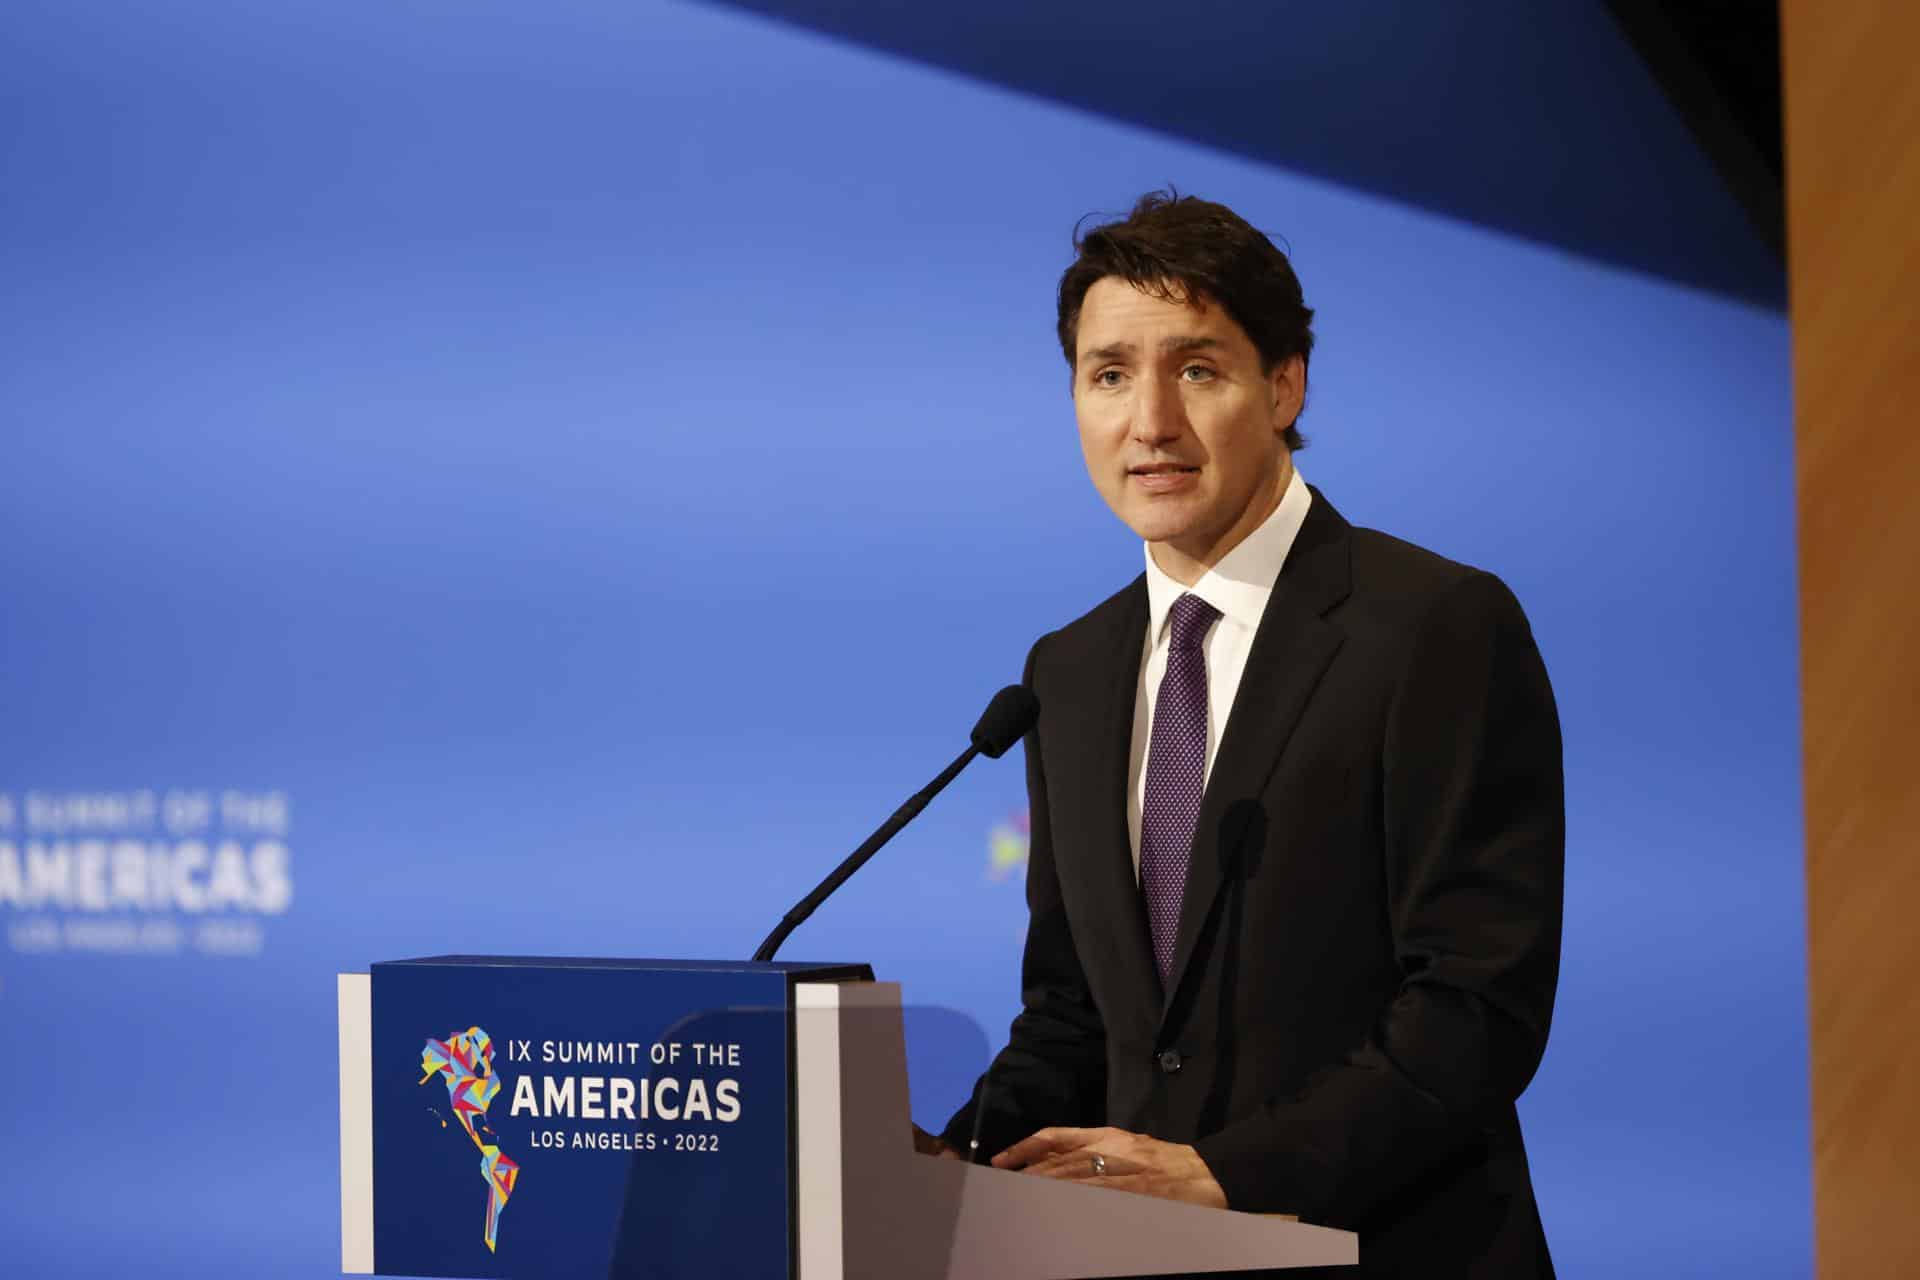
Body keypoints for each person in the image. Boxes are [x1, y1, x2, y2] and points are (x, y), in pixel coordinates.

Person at [926, 191, 1564, 1277]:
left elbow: (1474, 1007)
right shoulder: (1068, 672)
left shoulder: (1433, 625)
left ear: (1285, 384)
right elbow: (1077, 1013)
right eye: (1109, 373)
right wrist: (949, 1159)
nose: (1151, 422)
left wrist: (1227, 1174)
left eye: (1199, 369)